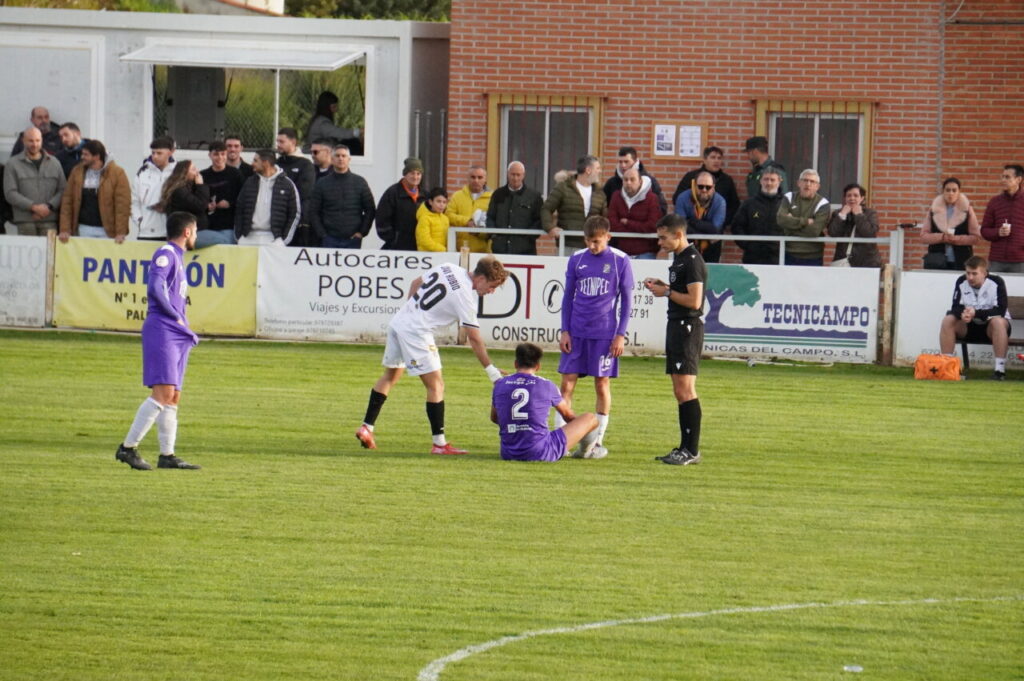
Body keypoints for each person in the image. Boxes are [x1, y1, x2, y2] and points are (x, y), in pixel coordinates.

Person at [355, 256, 510, 455]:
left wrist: (411, 313)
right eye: (492, 286)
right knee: (436, 386)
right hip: (416, 333)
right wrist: (492, 372)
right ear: (481, 279)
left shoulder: (449, 267)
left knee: (390, 376)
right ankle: (439, 444)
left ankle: (367, 427)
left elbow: (415, 283)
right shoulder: (466, 297)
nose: (491, 291)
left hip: (399, 322)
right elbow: (475, 339)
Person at [114, 211, 201, 471]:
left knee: (173, 396)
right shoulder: (166, 253)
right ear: (187, 232)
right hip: (163, 329)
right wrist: (175, 316)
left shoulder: (177, 257)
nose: (196, 235)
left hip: (175, 333)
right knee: (162, 393)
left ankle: (167, 455)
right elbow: (154, 287)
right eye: (195, 231)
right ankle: (127, 448)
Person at [556, 216, 633, 458]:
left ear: (608, 237)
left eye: (597, 242)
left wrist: (620, 334)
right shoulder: (577, 259)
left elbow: (627, 300)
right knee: (566, 384)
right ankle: (561, 440)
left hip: (604, 335)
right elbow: (568, 297)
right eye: (589, 241)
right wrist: (564, 330)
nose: (592, 246)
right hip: (577, 333)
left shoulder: (620, 260)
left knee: (602, 384)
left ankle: (596, 441)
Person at [643, 214, 707, 466]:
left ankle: (691, 451)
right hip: (677, 326)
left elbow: (695, 301)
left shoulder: (692, 261)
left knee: (686, 390)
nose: (660, 243)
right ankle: (684, 447)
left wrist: (667, 291)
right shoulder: (680, 260)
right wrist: (663, 287)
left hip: (687, 328)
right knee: (679, 390)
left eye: (663, 237)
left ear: (678, 234)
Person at [491, 343, 600, 462]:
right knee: (590, 418)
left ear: (516, 363)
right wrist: (580, 430)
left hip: (508, 452)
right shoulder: (547, 385)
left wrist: (517, 427)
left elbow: (495, 418)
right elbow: (568, 417)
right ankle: (587, 452)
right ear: (538, 366)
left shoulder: (500, 384)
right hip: (541, 451)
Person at [938, 255, 1011, 380]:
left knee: (998, 321)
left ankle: (999, 371)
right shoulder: (961, 281)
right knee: (948, 319)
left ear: (984, 273)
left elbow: (1001, 310)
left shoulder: (997, 282)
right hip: (969, 326)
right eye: (968, 273)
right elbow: (955, 306)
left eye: (974, 274)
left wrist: (976, 313)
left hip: (992, 328)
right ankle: (948, 368)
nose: (970, 277)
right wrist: (963, 314)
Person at [58, 139, 131, 243]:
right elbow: (67, 201)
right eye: (82, 154)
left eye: (86, 154)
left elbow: (122, 205)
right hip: (83, 228)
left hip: (107, 230)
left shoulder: (117, 173)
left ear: (96, 156)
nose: (82, 157)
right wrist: (65, 229)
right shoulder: (77, 172)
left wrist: (120, 232)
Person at [309, 144, 375, 249]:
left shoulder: (360, 182)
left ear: (349, 159)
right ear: (332, 159)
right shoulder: (322, 183)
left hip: (353, 239)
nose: (340, 158)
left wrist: (362, 232)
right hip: (328, 239)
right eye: (337, 156)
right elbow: (313, 210)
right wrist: (322, 233)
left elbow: (370, 209)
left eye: (344, 156)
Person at [3, 127, 66, 236]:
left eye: (37, 140)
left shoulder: (54, 163)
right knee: (27, 253)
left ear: (42, 140)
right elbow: (10, 193)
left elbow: (63, 189)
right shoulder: (12, 164)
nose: (35, 144)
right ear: (23, 140)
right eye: (31, 141)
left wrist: (49, 207)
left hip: (49, 220)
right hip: (25, 221)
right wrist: (34, 207)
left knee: (49, 253)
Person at [234, 150, 300, 246]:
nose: (252, 164)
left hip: (273, 239)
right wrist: (239, 237)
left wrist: (283, 240)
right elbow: (239, 209)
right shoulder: (249, 182)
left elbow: (294, 213)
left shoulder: (287, 184)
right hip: (248, 238)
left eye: (256, 161)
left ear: (266, 163)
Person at [542, 154, 606, 251]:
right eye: (597, 168)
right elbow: (546, 208)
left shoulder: (599, 192)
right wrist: (550, 228)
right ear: (588, 170)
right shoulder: (563, 187)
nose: (600, 171)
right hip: (567, 245)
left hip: (592, 247)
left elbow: (605, 217)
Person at [920, 177, 981, 270]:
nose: (951, 193)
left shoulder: (967, 210)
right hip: (936, 261)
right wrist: (942, 237)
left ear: (959, 192)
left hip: (962, 260)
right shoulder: (933, 210)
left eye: (954, 190)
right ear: (943, 192)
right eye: (947, 190)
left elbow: (976, 238)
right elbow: (924, 236)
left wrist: (956, 239)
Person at [486, 160, 544, 255]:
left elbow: (538, 221)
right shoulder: (498, 194)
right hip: (500, 249)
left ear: (523, 175)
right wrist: (493, 235)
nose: (515, 178)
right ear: (508, 174)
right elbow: (490, 216)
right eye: (513, 174)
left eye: (518, 175)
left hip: (525, 250)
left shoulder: (534, 196)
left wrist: (529, 237)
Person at [673, 145, 740, 226]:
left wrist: (722, 222)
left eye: (719, 158)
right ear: (704, 160)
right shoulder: (691, 177)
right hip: (690, 226)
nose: (716, 161)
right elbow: (677, 198)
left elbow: (734, 205)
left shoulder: (727, 180)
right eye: (713, 157)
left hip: (715, 227)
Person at [731, 167, 785, 265]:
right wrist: (748, 245)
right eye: (766, 179)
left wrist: (785, 247)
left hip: (779, 258)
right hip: (753, 258)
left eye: (772, 180)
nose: (768, 183)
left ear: (779, 182)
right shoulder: (749, 204)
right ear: (760, 181)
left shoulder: (787, 204)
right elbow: (736, 226)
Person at [776, 169, 830, 266]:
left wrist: (790, 227)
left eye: (812, 181)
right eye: (805, 180)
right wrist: (805, 221)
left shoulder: (823, 203)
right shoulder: (789, 197)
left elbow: (814, 231)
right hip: (789, 253)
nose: (808, 184)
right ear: (799, 183)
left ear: (818, 186)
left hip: (813, 256)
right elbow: (780, 220)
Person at [607, 166, 663, 258]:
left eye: (632, 179)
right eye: (625, 179)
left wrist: (628, 223)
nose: (628, 183)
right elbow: (612, 225)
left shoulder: (652, 198)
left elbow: (652, 226)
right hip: (620, 251)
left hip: (646, 251)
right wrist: (640, 227)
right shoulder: (616, 196)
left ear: (640, 181)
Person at [276, 127, 317, 247]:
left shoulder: (306, 164)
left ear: (293, 142)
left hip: (298, 221)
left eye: (281, 142)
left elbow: (304, 192)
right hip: (278, 219)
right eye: (277, 141)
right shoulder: (276, 163)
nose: (278, 145)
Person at [979, 164, 1024, 274]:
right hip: (997, 260)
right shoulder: (994, 202)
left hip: (1020, 260)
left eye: (1007, 177)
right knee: (993, 289)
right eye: (1002, 177)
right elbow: (984, 230)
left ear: (1019, 179)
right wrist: (998, 232)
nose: (1003, 180)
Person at [674, 170, 726, 263]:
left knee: (711, 275)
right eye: (700, 186)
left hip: (710, 247)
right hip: (686, 245)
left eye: (708, 187)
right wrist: (704, 229)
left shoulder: (720, 202)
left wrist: (692, 221)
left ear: (713, 188)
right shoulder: (682, 198)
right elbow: (681, 226)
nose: (704, 190)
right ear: (694, 186)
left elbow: (714, 229)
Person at [198, 141, 243, 247]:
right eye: (216, 154)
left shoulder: (235, 174)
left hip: (229, 226)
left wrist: (230, 203)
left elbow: (243, 198)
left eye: (222, 154)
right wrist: (207, 205)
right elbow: (196, 199)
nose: (219, 158)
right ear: (210, 155)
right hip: (207, 226)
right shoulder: (202, 175)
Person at [375, 157, 425, 251]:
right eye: (412, 173)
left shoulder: (425, 195)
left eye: (418, 174)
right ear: (405, 174)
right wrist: (394, 239)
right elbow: (382, 219)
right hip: (397, 248)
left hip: (419, 247)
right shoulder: (392, 193)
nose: (415, 177)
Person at [132, 136, 176, 241]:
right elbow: (133, 201)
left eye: (159, 153)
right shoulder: (142, 172)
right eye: (153, 153)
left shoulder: (178, 171)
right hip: (146, 232)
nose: (155, 156)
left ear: (170, 153)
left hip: (171, 233)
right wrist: (139, 220)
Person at [827, 183, 881, 267]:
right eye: (849, 196)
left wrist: (859, 215)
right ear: (845, 198)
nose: (852, 198)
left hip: (867, 261)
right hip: (843, 261)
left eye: (856, 195)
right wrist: (842, 214)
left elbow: (870, 233)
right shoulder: (838, 213)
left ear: (862, 198)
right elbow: (832, 233)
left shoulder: (870, 213)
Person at [603, 146, 667, 215]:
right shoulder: (612, 183)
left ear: (636, 161)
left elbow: (661, 207)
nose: (623, 165)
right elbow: (605, 207)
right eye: (620, 162)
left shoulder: (649, 181)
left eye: (626, 161)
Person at [445, 165, 492, 253]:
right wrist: (467, 221)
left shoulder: (492, 199)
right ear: (468, 178)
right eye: (473, 177)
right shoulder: (457, 196)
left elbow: (494, 224)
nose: (476, 180)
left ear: (485, 179)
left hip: (483, 252)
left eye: (480, 177)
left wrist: (479, 233)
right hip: (459, 250)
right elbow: (448, 215)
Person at [156, 160, 210, 234]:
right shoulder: (179, 191)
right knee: (223, 239)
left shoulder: (190, 187)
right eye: (193, 169)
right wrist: (200, 185)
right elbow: (200, 205)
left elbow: (195, 204)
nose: (197, 172)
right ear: (185, 173)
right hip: (186, 232)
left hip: (194, 230)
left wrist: (208, 206)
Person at [415, 187, 450, 252]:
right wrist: (443, 249)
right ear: (430, 202)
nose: (441, 205)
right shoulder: (424, 218)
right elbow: (424, 240)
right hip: (426, 256)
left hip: (442, 255)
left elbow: (447, 239)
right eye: (438, 201)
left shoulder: (445, 219)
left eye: (444, 202)